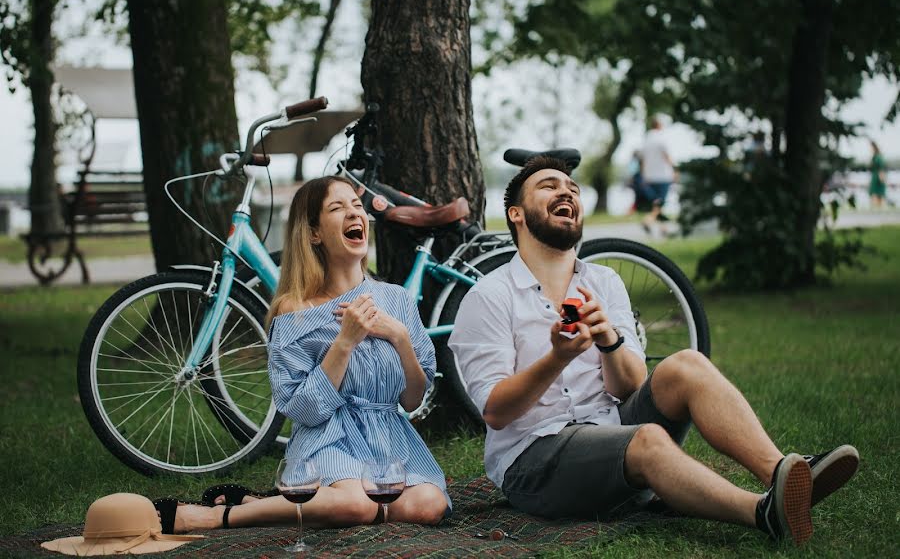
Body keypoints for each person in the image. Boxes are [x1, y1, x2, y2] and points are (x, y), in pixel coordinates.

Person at [448, 156, 859, 545]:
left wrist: (609, 339)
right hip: (533, 461)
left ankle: (784, 474)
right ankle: (763, 513)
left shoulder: (604, 281)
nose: (567, 192)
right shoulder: (489, 296)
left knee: (687, 364)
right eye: (548, 186)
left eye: (573, 187)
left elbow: (633, 387)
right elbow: (495, 411)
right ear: (516, 214)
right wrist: (558, 358)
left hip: (610, 428)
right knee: (646, 440)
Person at [162, 176, 449, 533]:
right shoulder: (293, 313)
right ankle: (217, 516)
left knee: (429, 505)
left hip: (389, 438)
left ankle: (288, 504)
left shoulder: (397, 300)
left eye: (356, 206)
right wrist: (344, 344)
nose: (353, 213)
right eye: (337, 208)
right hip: (329, 438)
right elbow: (303, 410)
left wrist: (401, 338)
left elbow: (412, 400)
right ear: (314, 233)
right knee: (354, 504)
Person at [639, 115, 676, 234]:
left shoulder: (647, 138)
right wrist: (675, 170)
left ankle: (663, 229)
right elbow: (667, 156)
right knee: (660, 203)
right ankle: (647, 221)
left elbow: (643, 159)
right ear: (660, 125)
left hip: (649, 176)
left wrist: (644, 175)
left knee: (657, 203)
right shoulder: (661, 137)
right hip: (663, 176)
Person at [869, 141, 887, 208]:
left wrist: (882, 178)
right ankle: (876, 208)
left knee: (879, 194)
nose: (869, 149)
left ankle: (880, 207)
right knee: (874, 193)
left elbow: (881, 168)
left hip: (878, 177)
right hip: (874, 177)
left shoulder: (878, 157)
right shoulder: (874, 157)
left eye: (870, 148)